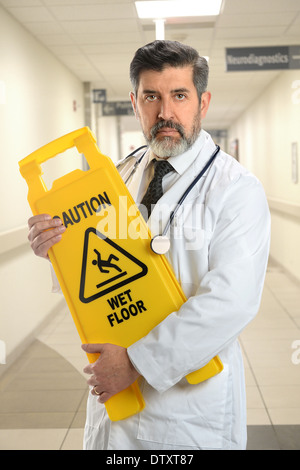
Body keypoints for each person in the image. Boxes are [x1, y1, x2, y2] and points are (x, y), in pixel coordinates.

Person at [27, 40, 270, 450]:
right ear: (134, 103)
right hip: (116, 406)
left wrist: (138, 362)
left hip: (191, 410)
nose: (165, 113)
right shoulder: (116, 175)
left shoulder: (236, 189)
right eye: (151, 97)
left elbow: (232, 300)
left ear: (203, 102)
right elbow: (94, 264)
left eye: (179, 95)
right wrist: (53, 246)